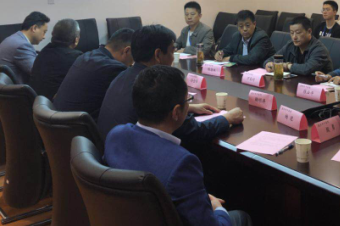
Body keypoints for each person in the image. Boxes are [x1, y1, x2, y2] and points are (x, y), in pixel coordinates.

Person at [105, 66, 253, 226]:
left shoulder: (115, 136)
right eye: (187, 101)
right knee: (241, 217)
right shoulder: (182, 164)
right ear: (176, 112)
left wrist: (197, 196)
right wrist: (218, 208)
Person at [98, 25, 244, 142]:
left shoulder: (123, 75)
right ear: (158, 55)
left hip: (112, 152)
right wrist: (227, 119)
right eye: (172, 51)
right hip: (136, 161)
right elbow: (193, 131)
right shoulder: (155, 85)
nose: (174, 58)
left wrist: (189, 108)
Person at [54, 28, 134, 120]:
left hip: (57, 121)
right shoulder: (114, 68)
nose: (132, 63)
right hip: (79, 126)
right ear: (126, 51)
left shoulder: (85, 56)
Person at [30, 19, 82, 101]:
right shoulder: (76, 58)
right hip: (57, 105)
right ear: (76, 40)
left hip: (38, 104)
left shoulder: (43, 52)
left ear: (52, 34)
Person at [0, 11, 50, 84]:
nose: (44, 37)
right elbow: (38, 72)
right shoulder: (22, 45)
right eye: (44, 32)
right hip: (15, 89)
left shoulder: (16, 38)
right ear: (34, 28)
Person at [264, 17, 333, 76]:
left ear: (309, 31)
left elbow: (306, 69)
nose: (294, 37)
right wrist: (268, 64)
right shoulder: (290, 45)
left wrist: (287, 66)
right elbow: (272, 59)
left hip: (317, 85)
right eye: (292, 33)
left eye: (298, 33)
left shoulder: (319, 50)